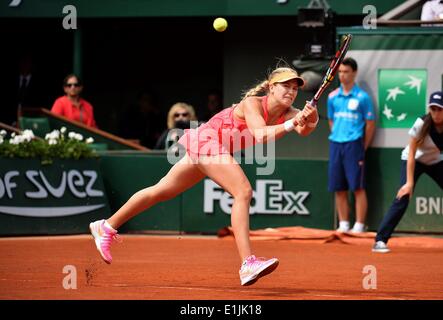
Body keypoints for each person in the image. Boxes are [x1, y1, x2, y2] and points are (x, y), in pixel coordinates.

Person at [89, 66, 319, 286]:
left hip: (211, 146)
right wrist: (291, 124)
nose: (290, 91)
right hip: (208, 141)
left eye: (295, 88)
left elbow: (304, 130)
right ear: (271, 88)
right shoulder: (253, 104)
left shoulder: (292, 113)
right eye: (285, 86)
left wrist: (312, 118)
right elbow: (259, 135)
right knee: (243, 191)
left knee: (161, 190)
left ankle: (106, 226)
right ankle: (248, 263)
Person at [372, 91, 443, 253]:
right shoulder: (421, 124)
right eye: (433, 109)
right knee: (403, 196)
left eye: (440, 109)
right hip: (414, 160)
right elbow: (411, 153)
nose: (436, 113)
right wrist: (409, 183)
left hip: (436, 161)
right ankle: (380, 241)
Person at [327, 57, 375, 233]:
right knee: (338, 187)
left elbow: (370, 123)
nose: (342, 75)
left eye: (346, 71)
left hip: (354, 145)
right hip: (335, 144)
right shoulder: (332, 97)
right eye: (340, 72)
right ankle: (344, 223)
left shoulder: (363, 97)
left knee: (357, 187)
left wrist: (363, 146)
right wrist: (338, 134)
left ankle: (360, 225)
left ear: (354, 73)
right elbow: (331, 120)